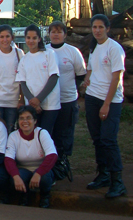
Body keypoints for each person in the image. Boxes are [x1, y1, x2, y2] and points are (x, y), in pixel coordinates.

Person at [83, 14, 127, 198]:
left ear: (108, 29)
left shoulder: (114, 48)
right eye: (95, 27)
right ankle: (103, 174)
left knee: (109, 140)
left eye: (101, 27)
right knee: (98, 139)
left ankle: (118, 181)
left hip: (110, 100)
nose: (98, 30)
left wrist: (106, 104)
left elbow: (116, 78)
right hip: (92, 97)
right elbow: (92, 67)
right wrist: (87, 77)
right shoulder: (95, 47)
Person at [46, 21, 86, 167]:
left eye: (59, 31)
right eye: (53, 31)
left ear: (65, 34)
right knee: (49, 133)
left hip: (66, 99)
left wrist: (73, 89)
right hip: (48, 101)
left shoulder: (73, 52)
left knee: (65, 133)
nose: (56, 34)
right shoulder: (44, 50)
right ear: (48, 34)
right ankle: (50, 163)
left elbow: (81, 74)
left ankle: (63, 163)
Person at [5, 106, 57, 208]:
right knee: (14, 178)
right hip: (23, 169)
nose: (25, 121)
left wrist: (38, 173)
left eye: (28, 118)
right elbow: (8, 159)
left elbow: (52, 156)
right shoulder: (13, 136)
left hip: (41, 168)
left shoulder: (42, 133)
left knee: (45, 178)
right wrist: (16, 177)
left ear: (35, 121)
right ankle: (24, 195)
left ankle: (45, 196)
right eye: (21, 118)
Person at [15, 25, 60, 136]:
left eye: (34, 38)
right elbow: (23, 83)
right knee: (33, 135)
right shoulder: (24, 59)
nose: (31, 41)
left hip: (50, 104)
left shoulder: (49, 54)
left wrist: (39, 99)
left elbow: (53, 77)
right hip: (32, 104)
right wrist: (32, 102)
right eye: (28, 38)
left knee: (46, 134)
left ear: (39, 39)